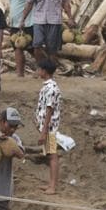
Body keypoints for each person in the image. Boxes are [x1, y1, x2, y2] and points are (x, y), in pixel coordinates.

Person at [35, 59, 61, 195]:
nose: (38, 71)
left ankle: (53, 186)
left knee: (52, 155)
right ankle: (50, 183)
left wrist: (44, 131)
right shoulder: (48, 86)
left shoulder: (50, 88)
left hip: (50, 128)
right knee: (50, 155)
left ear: (44, 71)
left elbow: (49, 109)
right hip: (47, 127)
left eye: (40, 69)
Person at [5, 0, 34, 77]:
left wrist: (24, 19)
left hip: (28, 23)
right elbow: (13, 5)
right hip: (14, 24)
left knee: (33, 49)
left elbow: (32, 3)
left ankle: (44, 69)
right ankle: (20, 74)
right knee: (17, 47)